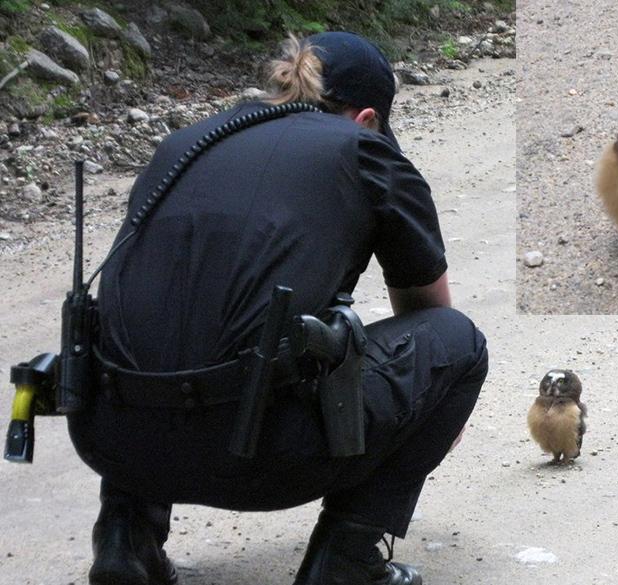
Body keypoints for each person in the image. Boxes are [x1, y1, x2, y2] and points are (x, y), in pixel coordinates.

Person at [66, 31, 488, 585]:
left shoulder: (181, 146)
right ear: (366, 119)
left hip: (112, 439)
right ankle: (347, 561)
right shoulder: (364, 150)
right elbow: (427, 312)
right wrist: (428, 413)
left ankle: (126, 542)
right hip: (260, 455)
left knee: (166, 320)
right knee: (458, 343)